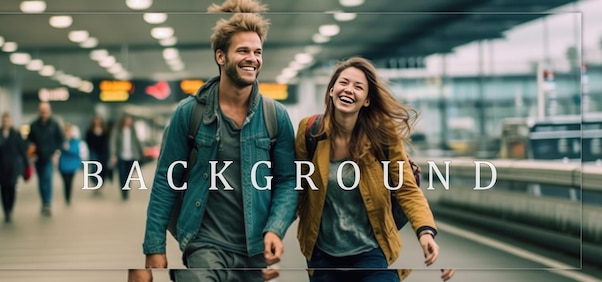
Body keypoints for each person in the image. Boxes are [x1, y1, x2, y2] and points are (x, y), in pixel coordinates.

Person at [134, 0, 298, 281]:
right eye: (243, 51)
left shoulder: (275, 116)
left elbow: (288, 181)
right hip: (204, 242)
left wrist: (276, 228)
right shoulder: (190, 113)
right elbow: (165, 180)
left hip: (254, 248)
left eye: (258, 52)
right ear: (221, 57)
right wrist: (154, 246)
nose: (252, 58)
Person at [294, 57, 454, 282]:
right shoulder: (309, 131)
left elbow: (406, 188)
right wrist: (272, 233)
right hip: (323, 256)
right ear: (331, 90)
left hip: (370, 251)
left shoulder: (382, 135)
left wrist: (425, 232)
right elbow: (296, 190)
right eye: (343, 83)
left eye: (358, 87)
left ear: (367, 100)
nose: (349, 90)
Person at [27, 102, 64, 217]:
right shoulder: (34, 125)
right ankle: (44, 201)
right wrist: (32, 154)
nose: (44, 113)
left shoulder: (55, 124)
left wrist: (56, 154)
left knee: (47, 179)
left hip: (50, 157)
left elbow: (60, 140)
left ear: (49, 111)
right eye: (42, 111)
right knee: (41, 181)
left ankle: (47, 203)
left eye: (46, 111)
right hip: (38, 157)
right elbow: (29, 142)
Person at [0, 112, 30, 223]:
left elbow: (22, 150)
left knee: (11, 188)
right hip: (1, 166)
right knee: (3, 189)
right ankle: (5, 210)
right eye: (4, 121)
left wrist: (26, 165)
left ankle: (10, 208)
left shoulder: (16, 134)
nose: (6, 123)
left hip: (13, 166)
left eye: (7, 120)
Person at [109, 113, 144, 201]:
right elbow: (113, 142)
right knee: (121, 174)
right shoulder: (117, 130)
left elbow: (137, 141)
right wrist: (113, 154)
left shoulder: (133, 130)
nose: (129, 122)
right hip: (121, 156)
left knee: (129, 175)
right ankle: (123, 191)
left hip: (131, 156)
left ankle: (126, 190)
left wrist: (141, 151)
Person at [85, 114, 110, 192]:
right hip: (94, 151)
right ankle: (96, 182)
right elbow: (88, 141)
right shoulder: (90, 130)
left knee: (102, 168)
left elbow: (107, 142)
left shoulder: (105, 130)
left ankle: (101, 183)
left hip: (103, 152)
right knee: (94, 167)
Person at [59, 123, 82, 206]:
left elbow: (76, 151)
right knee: (65, 182)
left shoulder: (75, 141)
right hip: (63, 165)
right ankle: (66, 196)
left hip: (72, 165)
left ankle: (68, 197)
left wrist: (68, 149)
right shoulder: (60, 141)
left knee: (69, 181)